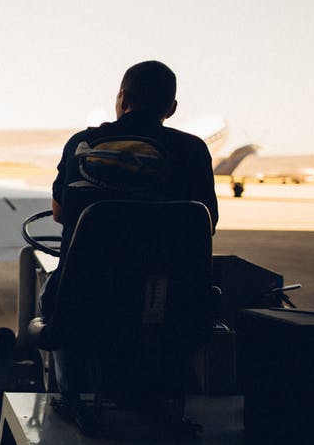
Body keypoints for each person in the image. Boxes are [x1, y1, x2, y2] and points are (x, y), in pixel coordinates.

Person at [39, 60, 218, 320]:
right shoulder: (193, 150)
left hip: (83, 307)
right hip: (169, 309)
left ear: (123, 98)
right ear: (172, 108)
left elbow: (60, 213)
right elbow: (205, 223)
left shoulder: (81, 143)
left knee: (52, 302)